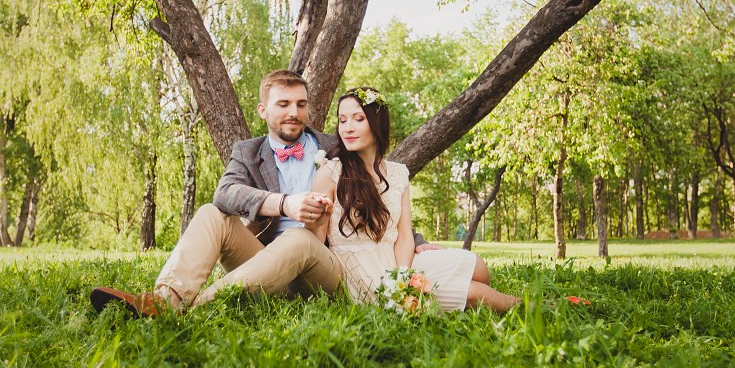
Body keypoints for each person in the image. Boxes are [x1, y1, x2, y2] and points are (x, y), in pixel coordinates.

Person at [90, 70, 496, 317]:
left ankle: (189, 310)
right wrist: (284, 204)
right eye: (283, 104)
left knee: (303, 238)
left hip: (325, 265)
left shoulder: (336, 144)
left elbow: (377, 198)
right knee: (211, 214)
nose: (294, 112)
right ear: (264, 110)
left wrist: (419, 244)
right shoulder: (247, 152)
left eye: (300, 104)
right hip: (263, 261)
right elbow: (227, 194)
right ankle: (166, 299)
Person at [306, 87, 521, 312]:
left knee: (478, 266)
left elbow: (405, 235)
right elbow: (317, 241)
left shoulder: (398, 174)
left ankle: (468, 295)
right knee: (472, 292)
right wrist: (314, 219)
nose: (348, 128)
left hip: (397, 261)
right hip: (360, 270)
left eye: (358, 119)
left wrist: (403, 275)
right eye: (342, 120)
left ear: (377, 123)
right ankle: (536, 307)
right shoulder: (330, 173)